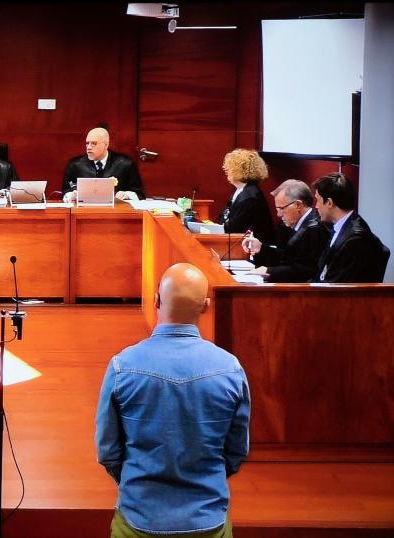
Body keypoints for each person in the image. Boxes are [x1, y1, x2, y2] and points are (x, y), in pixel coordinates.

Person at [95, 263, 250, 538]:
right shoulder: (231, 369)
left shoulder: (122, 366)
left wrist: (135, 483)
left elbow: (108, 450)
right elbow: (236, 451)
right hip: (208, 520)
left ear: (156, 300)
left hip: (138, 520)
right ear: (205, 306)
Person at [240, 179, 331, 282]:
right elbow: (288, 257)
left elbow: (305, 271)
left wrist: (268, 271)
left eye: (281, 208)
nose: (279, 215)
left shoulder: (314, 230)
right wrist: (261, 248)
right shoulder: (301, 224)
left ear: (298, 205)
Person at [311, 172, 388, 283]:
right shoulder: (342, 227)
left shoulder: (355, 240)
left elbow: (338, 288)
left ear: (329, 203)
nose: (316, 206)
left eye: (317, 200)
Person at [62, 127, 145, 202]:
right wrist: (71, 195)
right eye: (87, 143)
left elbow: (139, 194)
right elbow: (65, 192)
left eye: (94, 143)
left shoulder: (125, 164)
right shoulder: (75, 165)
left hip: (116, 213)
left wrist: (127, 194)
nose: (89, 147)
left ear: (106, 145)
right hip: (83, 212)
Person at [216, 148, 275, 245]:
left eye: (229, 168)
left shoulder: (250, 196)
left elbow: (235, 228)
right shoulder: (242, 190)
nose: (226, 171)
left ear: (239, 170)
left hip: (251, 248)